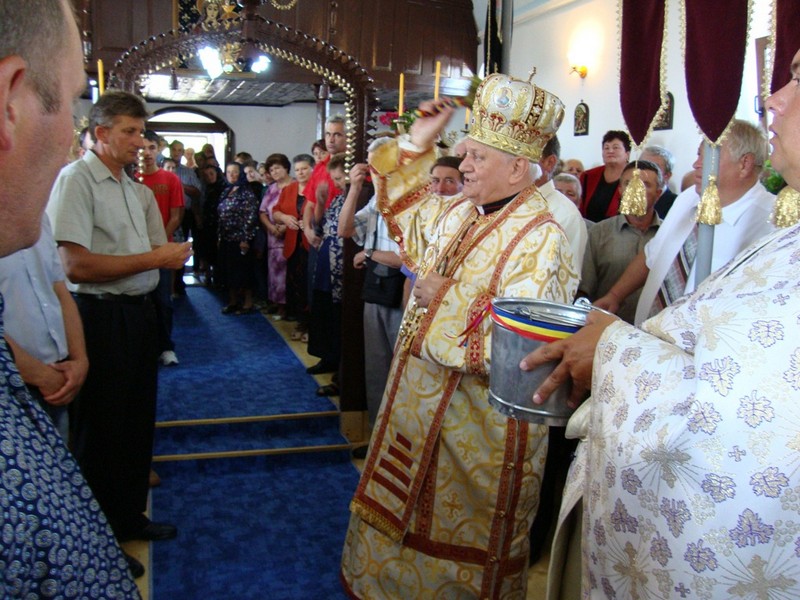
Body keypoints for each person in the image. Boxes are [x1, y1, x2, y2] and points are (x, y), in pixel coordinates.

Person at [520, 48, 800, 600]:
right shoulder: (694, 200)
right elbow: (654, 261)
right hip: (648, 325)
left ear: (744, 164)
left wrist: (612, 348)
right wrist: (612, 305)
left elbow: (751, 408)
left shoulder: (768, 218)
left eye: (797, 80)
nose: (775, 98)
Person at [340, 72, 578, 598]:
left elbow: (527, 350)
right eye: (465, 152)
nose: (463, 164)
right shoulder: (462, 212)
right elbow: (407, 210)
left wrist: (444, 298)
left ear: (517, 168)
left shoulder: (543, 239)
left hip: (477, 434)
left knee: (454, 549)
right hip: (417, 410)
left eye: (477, 157)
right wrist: (415, 143)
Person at [48, 90, 191, 579]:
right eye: (130, 132)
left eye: (142, 133)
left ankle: (128, 517)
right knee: (101, 429)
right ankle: (96, 539)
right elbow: (76, 265)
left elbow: (152, 251)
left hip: (137, 313)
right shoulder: (76, 180)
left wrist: (164, 257)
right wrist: (158, 257)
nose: (140, 142)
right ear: (101, 133)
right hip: (99, 316)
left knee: (134, 420)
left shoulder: (136, 189)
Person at [594, 120, 775, 326]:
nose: (696, 164)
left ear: (744, 164)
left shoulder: (768, 222)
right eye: (698, 155)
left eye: (706, 156)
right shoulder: (689, 197)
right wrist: (615, 295)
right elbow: (653, 254)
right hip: (648, 331)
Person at [0, 213, 88, 441]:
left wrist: (79, 359)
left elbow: (59, 290)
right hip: (12, 387)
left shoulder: (36, 214)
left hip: (58, 378)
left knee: (61, 459)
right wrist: (43, 377)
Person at [579, 160, 663, 324]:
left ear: (658, 193)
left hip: (656, 329)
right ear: (620, 190)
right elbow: (584, 289)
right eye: (628, 184)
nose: (636, 190)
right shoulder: (599, 232)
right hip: (607, 326)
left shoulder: (668, 235)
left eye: (645, 185)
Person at [141, 129, 185, 366]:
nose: (147, 153)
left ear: (158, 149)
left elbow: (176, 216)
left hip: (162, 249)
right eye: (142, 148)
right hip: (134, 251)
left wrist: (157, 244)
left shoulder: (170, 179)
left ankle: (166, 346)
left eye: (151, 148)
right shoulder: (131, 178)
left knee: (163, 301)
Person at [306, 153, 349, 374]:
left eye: (339, 178)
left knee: (337, 315)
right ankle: (327, 357)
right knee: (323, 310)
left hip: (340, 264)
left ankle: (339, 364)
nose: (337, 184)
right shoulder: (339, 199)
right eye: (334, 180)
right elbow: (320, 226)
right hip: (326, 261)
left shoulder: (357, 199)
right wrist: (321, 202)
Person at [273, 154, 315, 339]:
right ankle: (300, 322)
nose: (301, 173)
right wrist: (284, 218)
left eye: (304, 168)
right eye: (297, 170)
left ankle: (311, 326)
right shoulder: (289, 189)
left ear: (312, 169)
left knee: (309, 284)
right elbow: (275, 211)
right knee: (295, 284)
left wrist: (310, 223)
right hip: (292, 244)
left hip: (311, 243)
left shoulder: (318, 187)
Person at [217, 161, 259, 314]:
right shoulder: (226, 190)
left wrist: (245, 238)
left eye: (235, 171)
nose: (231, 175)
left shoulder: (246, 192)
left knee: (244, 271)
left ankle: (248, 303)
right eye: (229, 172)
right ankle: (233, 302)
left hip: (241, 239)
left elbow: (251, 216)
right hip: (226, 237)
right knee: (229, 271)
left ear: (240, 173)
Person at [259, 153, 292, 318]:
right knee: (274, 273)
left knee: (288, 274)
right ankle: (277, 303)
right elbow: (262, 212)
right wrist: (271, 227)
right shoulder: (271, 189)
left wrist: (286, 226)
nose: (275, 172)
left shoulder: (295, 186)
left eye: (277, 168)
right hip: (273, 237)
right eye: (271, 170)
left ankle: (287, 307)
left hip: (291, 235)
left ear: (286, 167)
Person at [579, 130, 631, 221]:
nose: (610, 151)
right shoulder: (587, 176)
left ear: (627, 154)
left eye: (615, 147)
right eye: (606, 148)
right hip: (587, 227)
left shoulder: (634, 179)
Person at [641, 145, 677, 217]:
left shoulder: (676, 205)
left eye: (653, 167)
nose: (645, 172)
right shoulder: (626, 197)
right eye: (642, 165)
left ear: (667, 175)